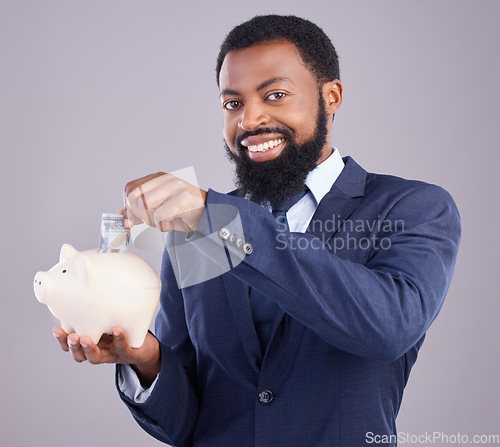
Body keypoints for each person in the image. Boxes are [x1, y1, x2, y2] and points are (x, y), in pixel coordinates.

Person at [53, 15, 461, 447]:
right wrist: (148, 359)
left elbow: (387, 328)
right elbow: (186, 423)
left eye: (276, 95)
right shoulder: (195, 227)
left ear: (332, 96)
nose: (250, 120)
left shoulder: (413, 207)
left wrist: (215, 218)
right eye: (233, 104)